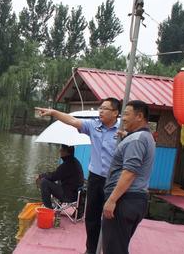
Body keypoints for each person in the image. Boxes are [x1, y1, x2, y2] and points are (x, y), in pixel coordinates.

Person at [36, 97, 121, 253]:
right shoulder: (94, 126)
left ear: (115, 113)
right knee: (92, 218)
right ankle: (91, 250)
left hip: (114, 180)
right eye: (99, 108)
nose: (100, 111)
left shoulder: (123, 130)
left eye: (105, 108)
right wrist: (54, 112)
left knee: (112, 218)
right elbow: (72, 120)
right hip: (95, 178)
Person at [102, 100, 155, 254]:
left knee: (114, 249)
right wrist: (126, 136)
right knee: (119, 246)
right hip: (136, 200)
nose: (122, 118)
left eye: (126, 114)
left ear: (139, 117)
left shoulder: (136, 140)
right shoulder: (146, 137)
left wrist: (112, 200)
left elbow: (130, 172)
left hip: (124, 200)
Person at [36, 144, 84, 209]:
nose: (60, 151)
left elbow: (53, 176)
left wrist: (40, 176)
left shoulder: (68, 164)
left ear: (66, 152)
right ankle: (58, 205)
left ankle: (48, 208)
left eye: (61, 149)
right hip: (75, 194)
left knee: (44, 182)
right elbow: (57, 174)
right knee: (58, 180)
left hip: (69, 196)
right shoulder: (74, 161)